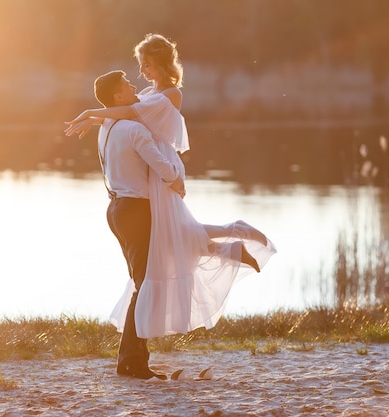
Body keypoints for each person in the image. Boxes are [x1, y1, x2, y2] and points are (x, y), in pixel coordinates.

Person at [65, 34, 277, 340]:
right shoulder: (151, 92)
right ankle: (233, 240)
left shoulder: (171, 95)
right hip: (154, 171)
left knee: (173, 235)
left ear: (162, 63)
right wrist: (97, 120)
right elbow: (127, 119)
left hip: (161, 169)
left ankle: (235, 234)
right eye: (140, 66)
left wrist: (92, 113)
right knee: (176, 235)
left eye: (146, 65)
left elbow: (129, 114)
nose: (142, 73)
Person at [91, 70, 185, 380]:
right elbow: (160, 164)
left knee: (141, 282)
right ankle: (131, 361)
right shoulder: (134, 129)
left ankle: (135, 358)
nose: (135, 86)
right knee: (144, 285)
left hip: (115, 208)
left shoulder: (107, 127)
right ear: (118, 97)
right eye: (128, 85)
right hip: (135, 210)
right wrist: (177, 181)